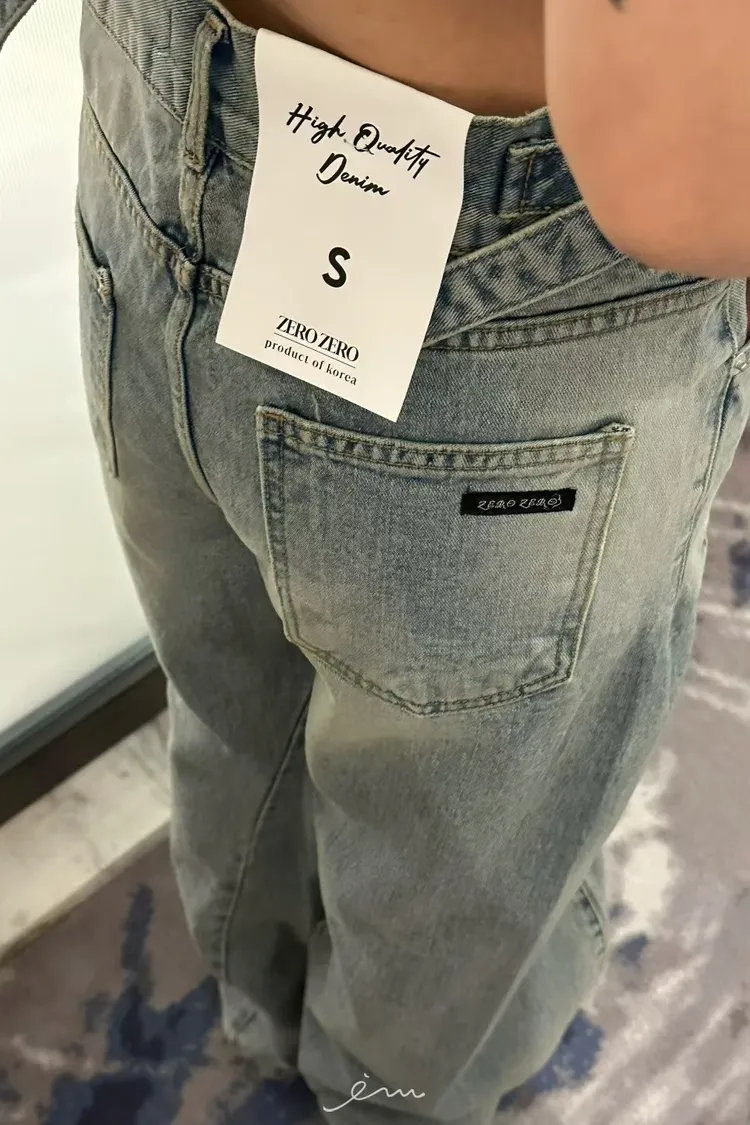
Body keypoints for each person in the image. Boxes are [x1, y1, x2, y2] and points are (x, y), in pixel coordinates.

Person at [2, 1, 748, 1120]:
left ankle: (269, 1015)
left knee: (233, 695)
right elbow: (684, 180)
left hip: (152, 101)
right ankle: (379, 1095)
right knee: (456, 859)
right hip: (506, 254)